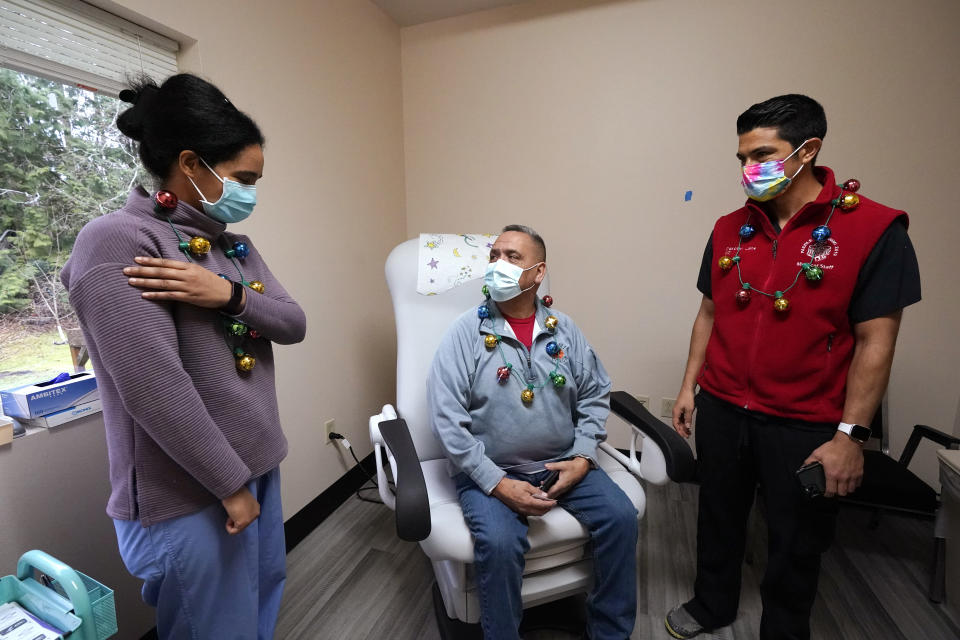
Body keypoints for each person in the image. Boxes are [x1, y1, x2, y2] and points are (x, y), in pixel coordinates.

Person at [665, 94, 920, 639]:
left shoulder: (873, 229)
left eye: (761, 153)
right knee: (717, 518)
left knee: (796, 538)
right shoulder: (731, 227)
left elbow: (877, 340)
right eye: (741, 158)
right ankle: (712, 605)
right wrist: (689, 387)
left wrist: (851, 435)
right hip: (725, 405)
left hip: (806, 421)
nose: (748, 168)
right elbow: (708, 312)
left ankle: (784, 628)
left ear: (808, 150)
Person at [61, 74, 306, 639]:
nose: (251, 192)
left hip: (257, 466)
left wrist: (229, 294)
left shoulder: (231, 245)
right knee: (216, 628)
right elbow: (154, 390)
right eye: (244, 178)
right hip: (194, 489)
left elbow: (293, 323)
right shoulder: (118, 241)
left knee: (259, 606)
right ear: (193, 164)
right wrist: (229, 486)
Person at [427, 225, 638, 640]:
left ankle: (611, 633)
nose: (498, 265)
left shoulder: (565, 330)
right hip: (490, 471)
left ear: (538, 273)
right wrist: (497, 482)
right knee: (502, 545)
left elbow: (596, 393)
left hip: (564, 463)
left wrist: (582, 457)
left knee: (621, 518)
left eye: (512, 257)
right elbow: (447, 418)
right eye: (494, 256)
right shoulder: (464, 333)